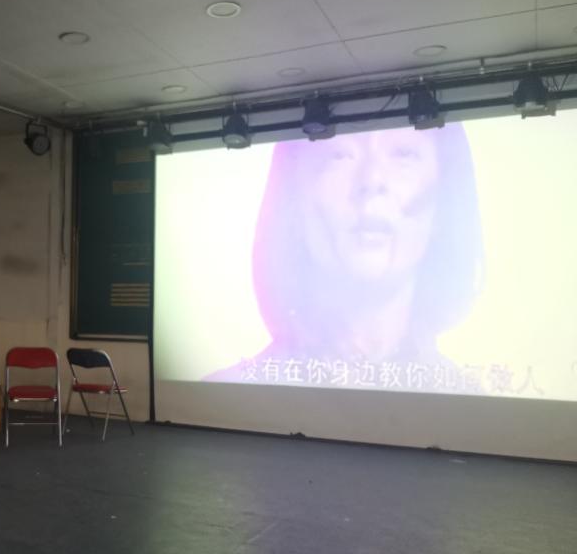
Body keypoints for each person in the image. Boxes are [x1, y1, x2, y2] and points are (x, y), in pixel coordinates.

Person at [206, 122, 485, 390]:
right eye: (338, 155)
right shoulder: (222, 399)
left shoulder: (471, 407)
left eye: (403, 153)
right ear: (294, 200)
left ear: (444, 200)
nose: (372, 180)